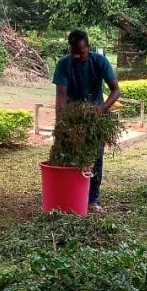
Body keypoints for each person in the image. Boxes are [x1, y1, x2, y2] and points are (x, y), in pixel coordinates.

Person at [52, 29, 121, 213]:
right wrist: (61, 124)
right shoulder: (64, 64)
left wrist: (101, 109)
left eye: (80, 52)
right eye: (73, 52)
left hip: (94, 116)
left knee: (95, 157)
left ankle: (92, 199)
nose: (76, 56)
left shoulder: (99, 61)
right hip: (72, 117)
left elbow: (116, 90)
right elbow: (61, 96)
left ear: (88, 48)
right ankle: (71, 196)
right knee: (71, 157)